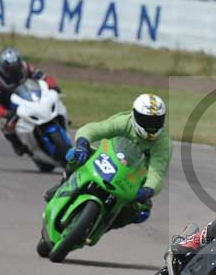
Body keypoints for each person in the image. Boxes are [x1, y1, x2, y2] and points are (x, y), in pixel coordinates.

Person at [45, 93, 172, 230]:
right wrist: (83, 143)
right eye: (147, 121)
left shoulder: (163, 143)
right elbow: (95, 129)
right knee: (74, 154)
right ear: (134, 115)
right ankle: (63, 185)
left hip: (134, 177)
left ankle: (106, 224)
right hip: (108, 158)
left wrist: (148, 190)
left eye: (156, 121)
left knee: (142, 211)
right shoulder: (124, 122)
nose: (151, 126)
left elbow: (157, 172)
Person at [0, 47, 61, 156]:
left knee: (55, 100)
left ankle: (60, 122)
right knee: (6, 126)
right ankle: (19, 146)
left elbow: (43, 78)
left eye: (16, 67)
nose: (15, 71)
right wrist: (6, 113)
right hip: (12, 106)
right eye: (10, 69)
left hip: (32, 96)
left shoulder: (26, 67)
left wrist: (53, 86)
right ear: (3, 68)